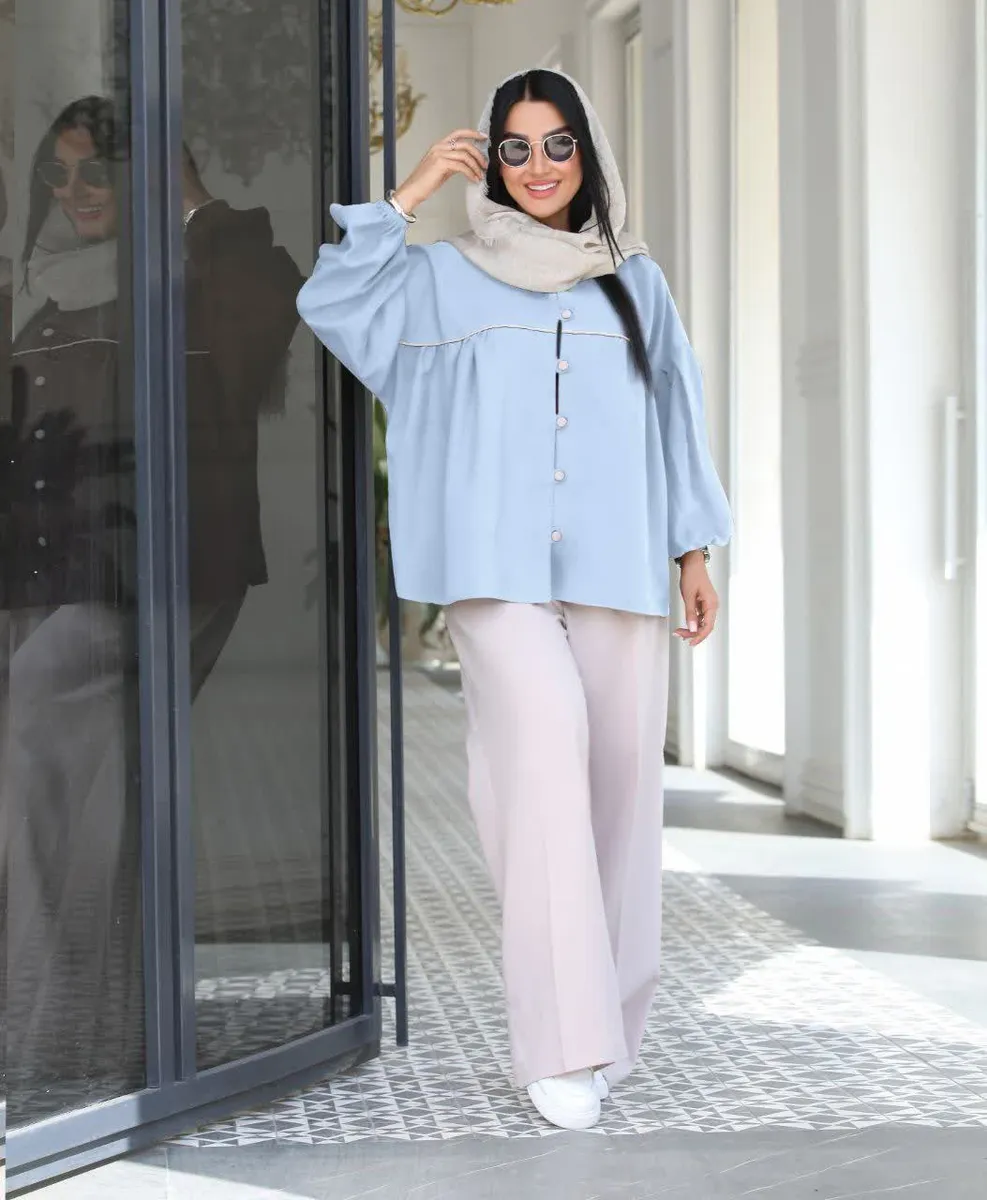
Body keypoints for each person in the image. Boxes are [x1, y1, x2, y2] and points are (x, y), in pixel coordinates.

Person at [297, 68, 733, 1132]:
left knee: (621, 793)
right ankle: (559, 1040)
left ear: (588, 155)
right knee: (538, 767)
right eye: (516, 148)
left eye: (558, 145)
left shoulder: (636, 282)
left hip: (620, 563)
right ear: (490, 161)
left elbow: (676, 415)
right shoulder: (442, 276)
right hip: (492, 573)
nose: (538, 168)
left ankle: (611, 1023)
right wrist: (405, 196)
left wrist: (693, 549)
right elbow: (332, 304)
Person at [0, 95, 302, 1119]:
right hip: (51, 570)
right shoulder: (45, 286)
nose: (74, 191)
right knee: (96, 788)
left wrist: (186, 198)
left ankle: (54, 1028)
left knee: (48, 728)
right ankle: (97, 1031)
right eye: (59, 174)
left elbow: (265, 323)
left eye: (98, 171)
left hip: (162, 564)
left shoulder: (199, 264)